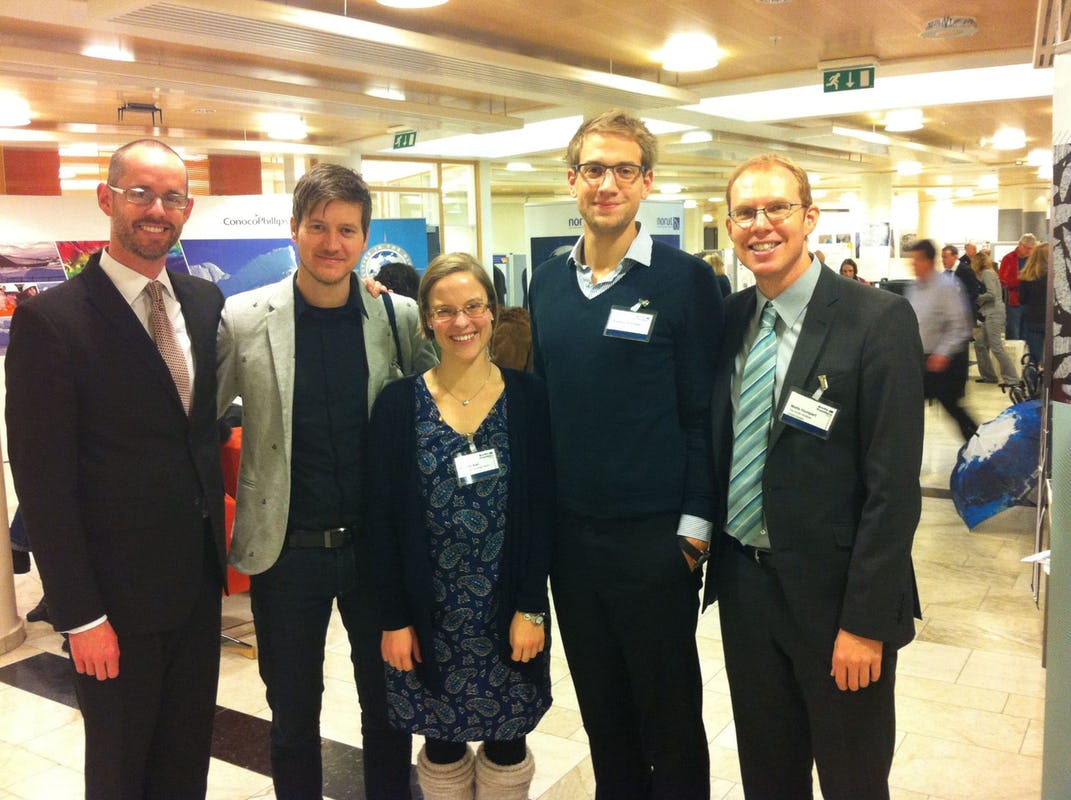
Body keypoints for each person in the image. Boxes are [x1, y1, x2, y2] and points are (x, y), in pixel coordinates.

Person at [5, 139, 227, 799]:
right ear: (107, 198)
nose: (156, 210)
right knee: (122, 768)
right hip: (115, 604)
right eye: (140, 193)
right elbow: (44, 487)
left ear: (186, 209)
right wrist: (80, 616)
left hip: (195, 587)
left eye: (171, 197)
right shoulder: (53, 322)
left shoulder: (202, 304)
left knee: (186, 760)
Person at [217, 163, 438, 800]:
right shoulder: (244, 318)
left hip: (374, 550)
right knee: (292, 719)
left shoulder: (393, 317)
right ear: (294, 229)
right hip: (285, 553)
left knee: (389, 710)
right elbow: (200, 422)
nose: (331, 243)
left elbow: (440, 401)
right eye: (318, 227)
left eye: (346, 229)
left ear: (365, 238)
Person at [707, 152, 924, 800]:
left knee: (852, 780)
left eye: (776, 208)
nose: (760, 224)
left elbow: (892, 489)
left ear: (808, 218)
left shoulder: (874, 320)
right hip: (746, 591)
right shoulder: (729, 319)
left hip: (837, 602)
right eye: (744, 212)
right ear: (729, 225)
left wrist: (864, 622)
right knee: (768, 779)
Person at [528, 109, 721, 799]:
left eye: (622, 170)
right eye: (591, 169)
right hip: (573, 544)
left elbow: (703, 412)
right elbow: (543, 408)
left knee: (668, 719)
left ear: (646, 182)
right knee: (602, 715)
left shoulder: (685, 281)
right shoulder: (546, 284)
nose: (605, 184)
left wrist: (695, 528)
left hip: (655, 540)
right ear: (572, 179)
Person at [367, 253, 554, 800]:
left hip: (509, 611)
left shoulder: (528, 398)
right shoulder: (399, 405)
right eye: (444, 311)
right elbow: (380, 523)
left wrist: (531, 607)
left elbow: (541, 512)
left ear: (493, 313)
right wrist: (394, 618)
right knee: (442, 743)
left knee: (506, 742)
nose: (461, 322)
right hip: (430, 617)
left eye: (473, 307)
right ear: (427, 319)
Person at [907, 239, 978, 440]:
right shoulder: (914, 288)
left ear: (929, 261)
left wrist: (942, 353)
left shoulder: (947, 286)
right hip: (923, 359)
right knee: (907, 406)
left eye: (917, 260)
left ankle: (978, 443)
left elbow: (960, 325)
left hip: (946, 362)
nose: (913, 264)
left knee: (953, 408)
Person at [971, 250, 1019, 385]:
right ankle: (989, 376)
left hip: (994, 313)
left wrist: (977, 298)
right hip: (991, 313)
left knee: (996, 347)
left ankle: (1012, 378)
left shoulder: (987, 274)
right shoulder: (989, 273)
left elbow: (991, 294)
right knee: (979, 344)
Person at [998, 233, 1037, 339]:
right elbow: (1002, 280)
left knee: (1027, 333)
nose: (1029, 251)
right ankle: (1014, 355)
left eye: (1031, 249)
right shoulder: (1008, 258)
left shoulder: (1033, 259)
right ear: (1020, 245)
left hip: (1029, 302)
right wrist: (1021, 280)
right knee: (1013, 332)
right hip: (1013, 301)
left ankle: (1025, 354)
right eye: (1027, 248)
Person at [1018, 241, 1049, 365]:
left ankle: (1033, 382)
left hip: (1032, 319)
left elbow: (1022, 299)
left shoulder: (1026, 275)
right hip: (1053, 320)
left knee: (1034, 358)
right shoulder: (1056, 276)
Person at [943, 244, 982, 317]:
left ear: (955, 257)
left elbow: (974, 292)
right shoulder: (946, 273)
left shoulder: (966, 270)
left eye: (945, 257)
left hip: (965, 313)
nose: (943, 260)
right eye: (942, 257)